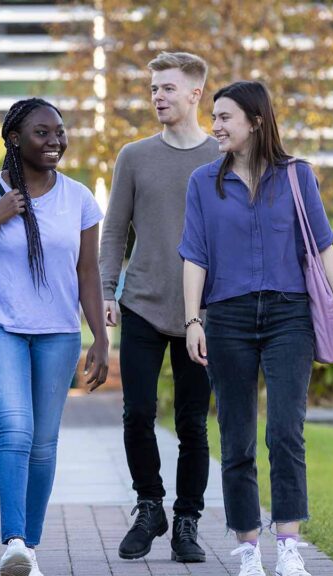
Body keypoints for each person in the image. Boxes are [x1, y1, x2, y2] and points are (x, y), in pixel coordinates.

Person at [180, 81, 333, 576]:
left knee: (285, 432)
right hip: (228, 318)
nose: (214, 126)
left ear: (256, 121)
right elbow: (194, 255)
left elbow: (323, 247)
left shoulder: (298, 177)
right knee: (236, 438)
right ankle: (247, 551)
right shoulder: (202, 182)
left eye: (224, 117)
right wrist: (192, 318)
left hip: (289, 317)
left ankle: (289, 547)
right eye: (213, 117)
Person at [0, 97, 109, 576]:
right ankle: (12, 539)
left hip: (59, 333)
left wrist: (99, 337)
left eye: (59, 131)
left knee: (44, 443)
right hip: (1, 326)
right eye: (43, 132)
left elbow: (87, 275)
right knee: (15, 429)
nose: (55, 140)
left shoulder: (79, 198)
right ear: (15, 139)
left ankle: (28, 550)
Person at [98, 51, 219, 563]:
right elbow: (114, 229)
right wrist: (107, 290)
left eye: (168, 88)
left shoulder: (222, 156)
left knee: (192, 422)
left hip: (206, 315)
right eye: (153, 89)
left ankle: (187, 520)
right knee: (137, 413)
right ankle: (150, 505)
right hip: (144, 302)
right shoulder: (133, 156)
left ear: (195, 94)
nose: (157, 97)